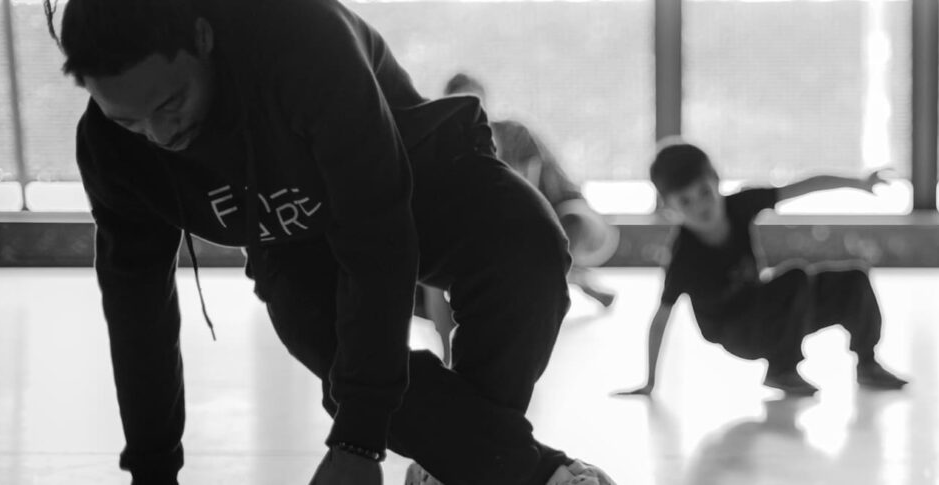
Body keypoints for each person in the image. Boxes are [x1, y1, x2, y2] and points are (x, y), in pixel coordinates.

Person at [47, 0, 614, 483]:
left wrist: (358, 441)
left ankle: (464, 466)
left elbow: (377, 233)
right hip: (292, 250)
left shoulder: (299, 36)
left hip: (417, 181)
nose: (160, 135)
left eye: (170, 103)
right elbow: (137, 316)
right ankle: (528, 474)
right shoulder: (112, 152)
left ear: (202, 37)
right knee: (350, 366)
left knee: (531, 248)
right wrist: (153, 471)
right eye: (128, 120)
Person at [617, 142, 908, 397]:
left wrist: (858, 182)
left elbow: (801, 187)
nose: (700, 206)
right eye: (685, 201)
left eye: (704, 192)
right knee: (794, 278)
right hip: (738, 332)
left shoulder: (740, 206)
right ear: (670, 208)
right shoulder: (685, 258)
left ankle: (868, 364)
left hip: (772, 311)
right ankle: (781, 370)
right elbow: (661, 318)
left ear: (716, 181)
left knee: (853, 279)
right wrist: (650, 382)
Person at [418, 73, 620, 364]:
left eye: (473, 102)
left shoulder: (514, 134)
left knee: (539, 239)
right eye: (456, 105)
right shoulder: (446, 148)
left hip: (558, 216)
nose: (468, 111)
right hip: (498, 227)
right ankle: (451, 358)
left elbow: (527, 197)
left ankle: (565, 286)